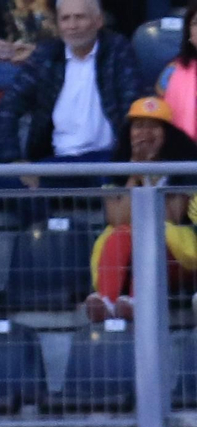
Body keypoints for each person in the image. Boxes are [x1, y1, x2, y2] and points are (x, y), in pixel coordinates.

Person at [0, 0, 141, 183]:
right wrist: (13, 160)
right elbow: (8, 106)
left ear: (98, 20)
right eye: (65, 19)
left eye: (80, 17)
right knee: (10, 183)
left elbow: (132, 105)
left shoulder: (118, 51)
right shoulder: (46, 55)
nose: (72, 26)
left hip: (107, 160)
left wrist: (129, 155)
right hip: (57, 161)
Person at [83, 97, 197, 322]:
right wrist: (135, 171)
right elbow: (117, 218)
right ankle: (107, 300)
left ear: (168, 134)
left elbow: (170, 216)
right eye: (138, 126)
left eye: (153, 126)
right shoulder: (117, 168)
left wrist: (151, 173)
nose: (145, 133)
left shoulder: (185, 167)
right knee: (121, 232)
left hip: (176, 257)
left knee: (148, 235)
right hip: (128, 255)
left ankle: (137, 300)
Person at [154, 6, 197, 142]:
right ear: (189, 33)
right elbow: (158, 118)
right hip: (180, 156)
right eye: (196, 23)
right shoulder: (171, 71)